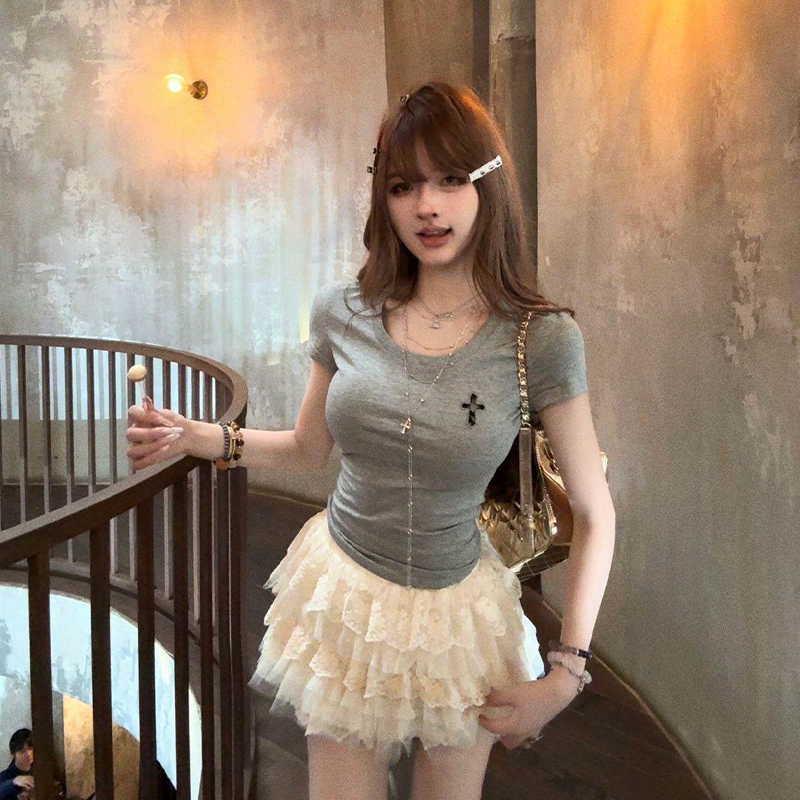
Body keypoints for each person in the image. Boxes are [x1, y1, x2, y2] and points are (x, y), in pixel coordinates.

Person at [126, 81, 616, 800]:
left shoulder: (540, 338)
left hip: (458, 617)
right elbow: (307, 450)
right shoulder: (343, 311)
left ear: (488, 183)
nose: (426, 206)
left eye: (450, 179)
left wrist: (566, 674)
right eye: (403, 185)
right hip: (347, 599)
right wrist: (197, 437)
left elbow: (597, 513)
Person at [0, 729, 34, 799]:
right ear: (14, 754)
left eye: (30, 748)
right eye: (22, 751)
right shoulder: (5, 776)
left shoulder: (42, 769)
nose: (28, 754)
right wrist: (14, 782)